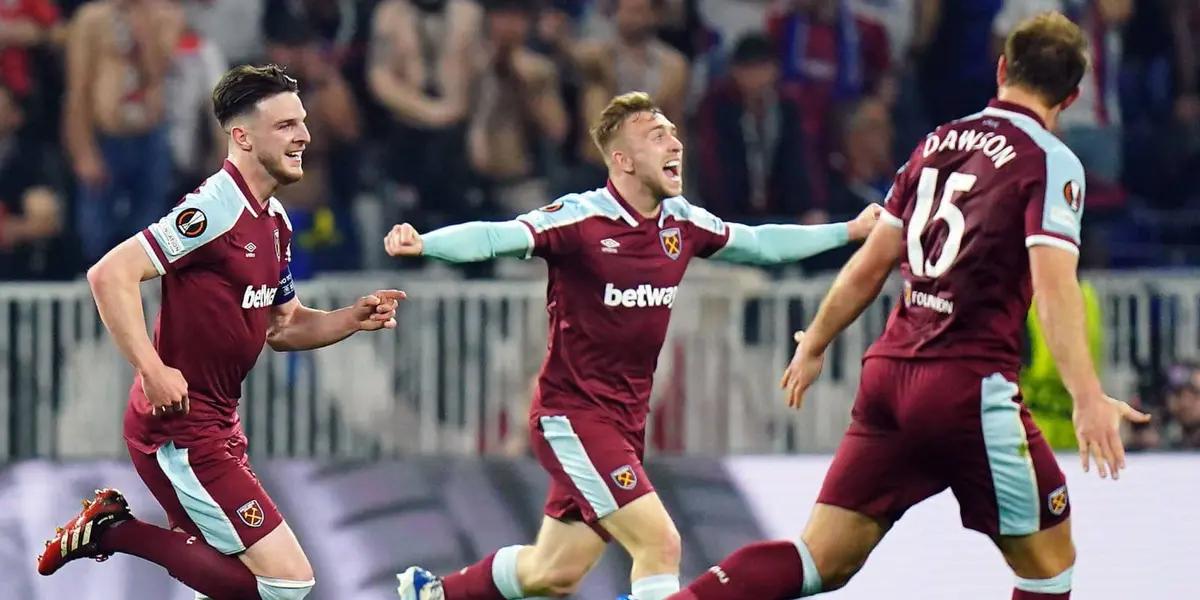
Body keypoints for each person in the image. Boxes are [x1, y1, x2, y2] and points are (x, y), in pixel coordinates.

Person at [668, 12, 1150, 600]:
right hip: (968, 387)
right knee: (1049, 565)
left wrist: (815, 342)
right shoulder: (1050, 161)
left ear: (1002, 69)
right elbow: (1053, 288)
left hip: (889, 377)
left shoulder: (936, 143)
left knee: (822, 558)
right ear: (1072, 96)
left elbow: (871, 263)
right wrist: (1087, 397)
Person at [384, 90, 881, 600]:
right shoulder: (579, 219)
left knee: (554, 570)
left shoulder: (681, 222)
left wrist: (849, 231)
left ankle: (436, 595)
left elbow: (758, 244)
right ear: (622, 160)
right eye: (657, 136)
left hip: (625, 421)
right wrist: (426, 242)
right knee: (659, 543)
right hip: (572, 416)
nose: (676, 144)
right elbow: (497, 236)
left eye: (673, 133)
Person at [35, 64, 404, 600]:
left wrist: (351, 318)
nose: (303, 135)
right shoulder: (214, 210)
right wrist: (152, 368)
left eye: (301, 121)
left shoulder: (274, 220)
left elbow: (283, 325)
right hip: (181, 432)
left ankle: (114, 527)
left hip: (220, 425)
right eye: (285, 126)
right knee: (287, 583)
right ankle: (114, 529)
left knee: (230, 583)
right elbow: (109, 274)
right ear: (242, 136)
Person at [62, 0, 184, 264]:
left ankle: (141, 296)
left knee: (150, 231)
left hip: (150, 137)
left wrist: (142, 27)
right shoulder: (91, 19)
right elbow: (78, 88)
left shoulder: (165, 15)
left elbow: (157, 73)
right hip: (105, 138)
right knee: (96, 235)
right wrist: (83, 150)